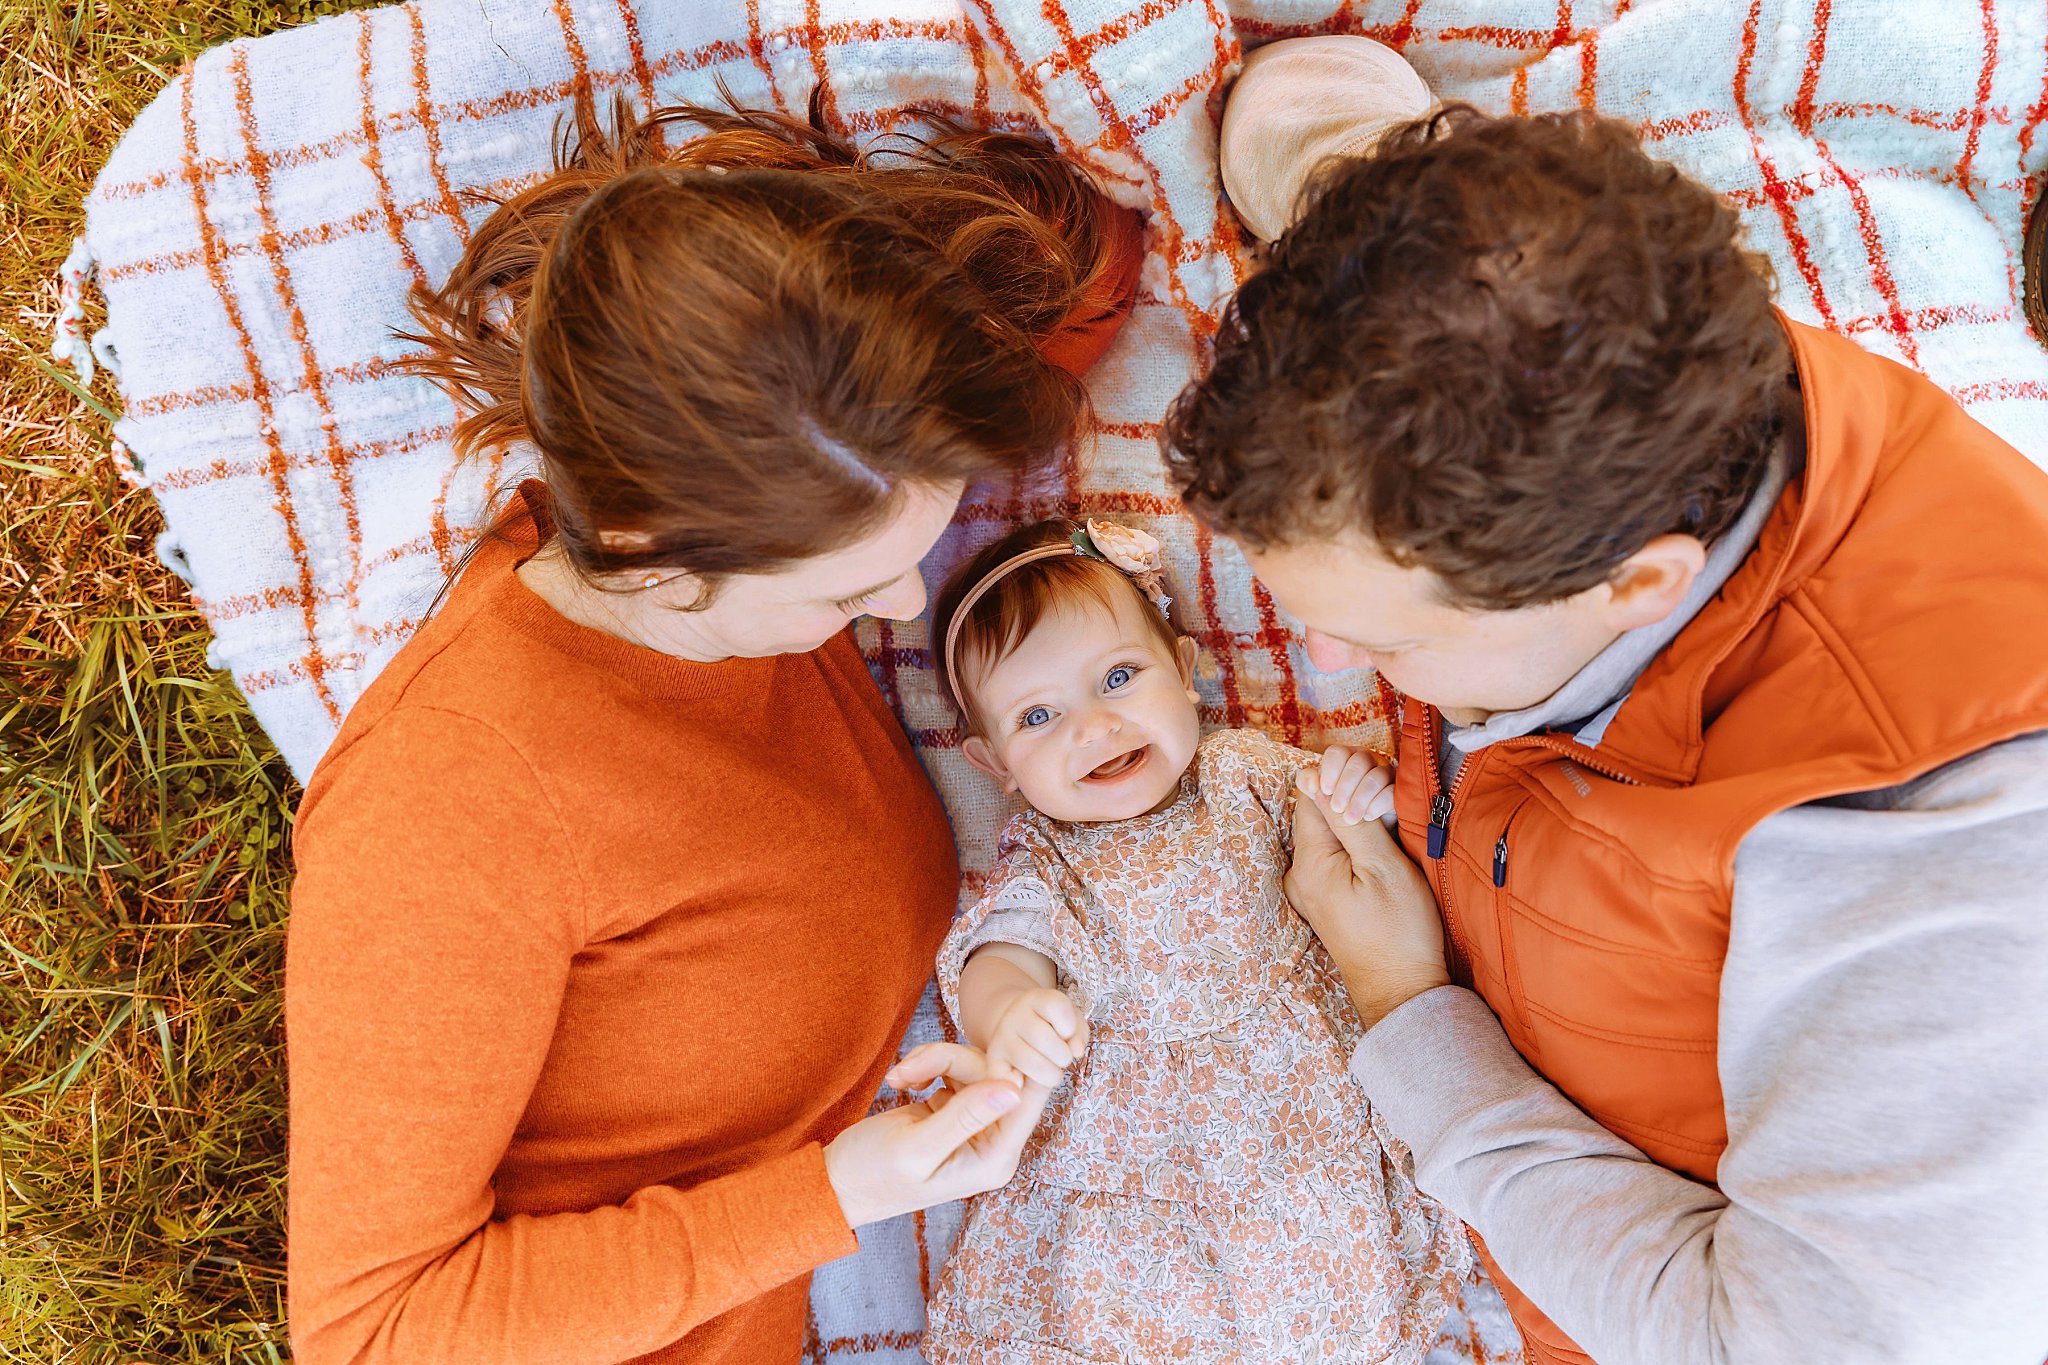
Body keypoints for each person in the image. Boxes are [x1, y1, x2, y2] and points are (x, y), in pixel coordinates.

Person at [1164, 72, 2048, 1365]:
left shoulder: (1942, 856)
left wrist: (1411, 1021)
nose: (1328, 658)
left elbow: (1761, 1343)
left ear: (1641, 585)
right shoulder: (1647, 374)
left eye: (1393, 640)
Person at [285, 95, 1143, 1365]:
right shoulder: (457, 811)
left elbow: (1092, 273)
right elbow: (372, 1331)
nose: (903, 607)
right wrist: (833, 1198)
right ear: (645, 556)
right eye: (847, 593)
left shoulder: (793, 432)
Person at [913, 518, 1466, 1363]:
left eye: (1119, 676)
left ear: (1183, 666)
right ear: (994, 765)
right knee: (1118, 1314)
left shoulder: (1245, 773)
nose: (1093, 728)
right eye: (1038, 715)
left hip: (1297, 1107)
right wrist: (1011, 1012)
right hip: (1130, 1149)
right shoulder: (1047, 862)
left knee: (1332, 1282)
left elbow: (1346, 829)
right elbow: (1001, 952)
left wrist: (1365, 792)